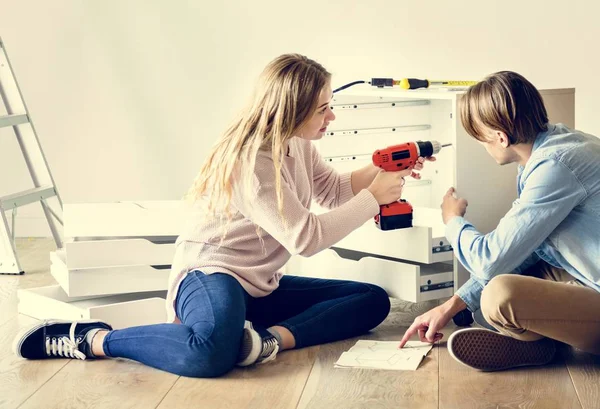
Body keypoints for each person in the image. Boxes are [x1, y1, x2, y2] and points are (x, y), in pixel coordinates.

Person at [13, 54, 431, 378]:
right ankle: (92, 339)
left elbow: (331, 190)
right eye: (323, 108)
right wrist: (374, 199)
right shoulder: (251, 161)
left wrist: (383, 171)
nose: (332, 116)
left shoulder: (296, 143)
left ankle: (264, 343)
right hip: (211, 275)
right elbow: (306, 239)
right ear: (293, 109)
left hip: (259, 286)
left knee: (370, 300)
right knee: (210, 353)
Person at [399, 71, 600, 371]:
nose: (482, 145)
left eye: (480, 137)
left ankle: (536, 342)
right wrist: (449, 305)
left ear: (500, 137)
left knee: (497, 296)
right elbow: (523, 250)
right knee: (505, 282)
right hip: (584, 272)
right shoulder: (556, 146)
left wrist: (452, 221)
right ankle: (539, 344)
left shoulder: (556, 167)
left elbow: (489, 260)